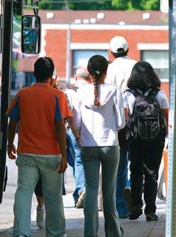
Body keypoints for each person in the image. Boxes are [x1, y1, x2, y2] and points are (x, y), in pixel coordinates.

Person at [6, 56, 71, 237]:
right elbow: (60, 126)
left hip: (27, 152)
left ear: (34, 74)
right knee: (53, 197)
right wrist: (64, 155)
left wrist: (10, 143)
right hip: (51, 154)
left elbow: (13, 121)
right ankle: (55, 232)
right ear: (51, 75)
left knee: (23, 192)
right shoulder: (58, 96)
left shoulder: (22, 94)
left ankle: (21, 232)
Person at [72, 55, 125, 237]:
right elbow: (120, 122)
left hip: (88, 145)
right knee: (109, 194)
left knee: (91, 189)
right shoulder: (114, 91)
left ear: (88, 72)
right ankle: (113, 233)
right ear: (106, 72)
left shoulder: (81, 93)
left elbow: (76, 123)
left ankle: (90, 233)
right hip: (110, 145)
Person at [123, 61, 169, 221]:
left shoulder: (129, 95)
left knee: (135, 172)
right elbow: (165, 117)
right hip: (155, 140)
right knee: (152, 174)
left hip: (135, 139)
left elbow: (125, 118)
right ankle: (150, 210)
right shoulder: (160, 94)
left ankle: (136, 206)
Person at [105, 35, 137, 218]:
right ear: (128, 49)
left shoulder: (110, 70)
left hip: (118, 121)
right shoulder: (136, 65)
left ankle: (121, 206)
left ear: (111, 52)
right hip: (138, 120)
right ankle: (133, 193)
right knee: (138, 162)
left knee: (120, 163)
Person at [64, 66, 90, 208]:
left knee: (77, 161)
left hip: (74, 131)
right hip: (92, 132)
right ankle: (82, 191)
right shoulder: (93, 90)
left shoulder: (69, 92)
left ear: (76, 77)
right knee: (85, 161)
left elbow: (68, 114)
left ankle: (80, 189)